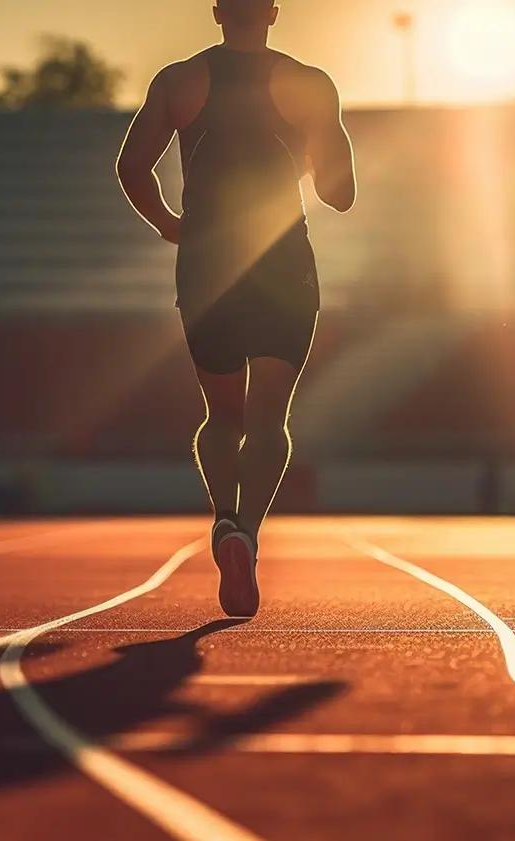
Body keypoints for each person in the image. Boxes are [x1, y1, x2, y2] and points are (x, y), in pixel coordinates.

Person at [116, 0, 356, 617]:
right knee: (270, 414)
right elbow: (341, 193)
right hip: (281, 266)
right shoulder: (308, 84)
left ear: (218, 11)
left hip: (207, 264)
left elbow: (131, 167)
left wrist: (172, 225)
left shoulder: (178, 81)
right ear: (273, 13)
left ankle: (223, 521)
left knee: (222, 414)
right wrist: (314, 149)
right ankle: (247, 530)